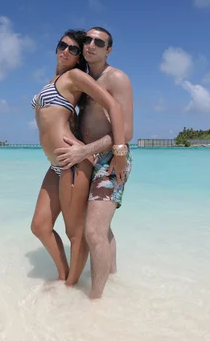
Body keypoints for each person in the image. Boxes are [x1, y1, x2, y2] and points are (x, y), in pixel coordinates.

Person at [30, 29, 127, 287]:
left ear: (78, 58)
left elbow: (113, 106)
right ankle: (64, 276)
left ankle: (71, 286)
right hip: (55, 164)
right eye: (62, 45)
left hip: (71, 162)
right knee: (40, 226)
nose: (65, 51)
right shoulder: (54, 80)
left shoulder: (74, 76)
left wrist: (119, 151)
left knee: (76, 233)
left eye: (73, 49)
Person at [54, 26, 134, 299]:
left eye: (98, 42)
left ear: (108, 50)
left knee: (93, 231)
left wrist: (114, 154)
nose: (90, 45)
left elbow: (128, 130)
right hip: (86, 157)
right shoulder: (83, 78)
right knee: (101, 227)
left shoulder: (117, 78)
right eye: (86, 40)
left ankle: (95, 301)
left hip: (112, 160)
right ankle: (112, 276)